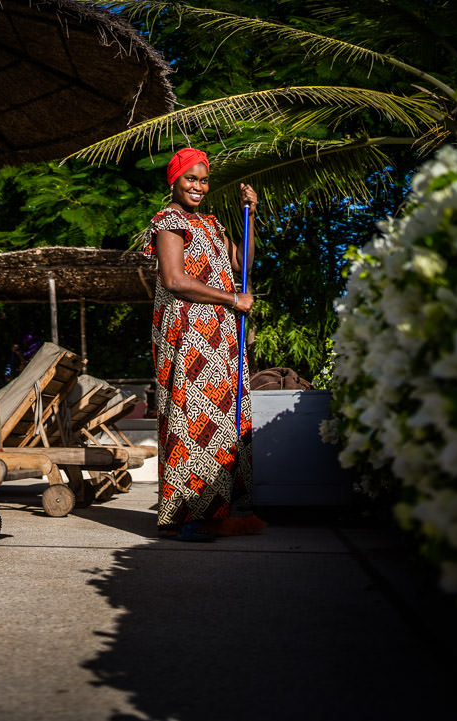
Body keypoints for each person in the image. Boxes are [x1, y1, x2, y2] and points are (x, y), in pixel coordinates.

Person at [143, 147, 265, 541]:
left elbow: (241, 266)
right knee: (191, 425)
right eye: (190, 179)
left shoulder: (211, 224)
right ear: (174, 181)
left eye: (203, 179)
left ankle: (219, 509)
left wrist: (251, 216)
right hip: (190, 337)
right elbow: (175, 280)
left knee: (223, 428)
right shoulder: (169, 221)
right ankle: (187, 516)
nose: (197, 186)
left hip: (220, 338)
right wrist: (232, 300)